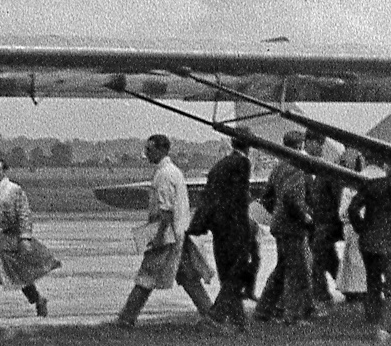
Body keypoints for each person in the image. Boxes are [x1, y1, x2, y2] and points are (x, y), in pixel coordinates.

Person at [115, 134, 215, 327]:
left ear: (161, 150)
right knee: (189, 277)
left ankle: (126, 318)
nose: (146, 153)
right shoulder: (174, 171)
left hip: (167, 235)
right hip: (180, 233)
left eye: (149, 150)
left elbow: (165, 211)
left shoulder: (164, 175)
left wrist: (159, 237)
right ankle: (210, 315)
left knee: (146, 275)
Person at [0, 156, 60, 320]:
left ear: (4, 171)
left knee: (16, 273)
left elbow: (24, 214)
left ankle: (39, 299)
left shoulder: (14, 190)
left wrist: (25, 238)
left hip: (7, 238)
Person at [189, 127, 257, 333]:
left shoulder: (220, 165)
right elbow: (238, 199)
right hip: (234, 226)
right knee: (238, 273)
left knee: (228, 272)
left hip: (219, 226)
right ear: (249, 144)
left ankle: (238, 322)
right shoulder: (242, 163)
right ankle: (216, 315)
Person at [346, 160, 391, 344]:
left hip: (369, 242)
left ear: (387, 169)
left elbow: (353, 208)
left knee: (372, 283)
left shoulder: (372, 185)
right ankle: (386, 328)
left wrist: (361, 228)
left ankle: (373, 321)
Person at [253, 131, 315, 325]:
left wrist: (277, 212)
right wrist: (305, 216)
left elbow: (267, 197)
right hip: (292, 227)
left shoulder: (278, 168)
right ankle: (293, 315)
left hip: (279, 225)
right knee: (299, 271)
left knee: (282, 269)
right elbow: (292, 197)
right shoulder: (298, 167)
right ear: (300, 146)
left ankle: (264, 310)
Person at [303, 130, 345, 309]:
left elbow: (336, 196)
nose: (320, 147)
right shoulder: (312, 167)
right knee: (328, 258)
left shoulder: (325, 169)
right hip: (317, 222)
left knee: (318, 259)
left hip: (324, 222)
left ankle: (321, 294)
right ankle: (348, 289)